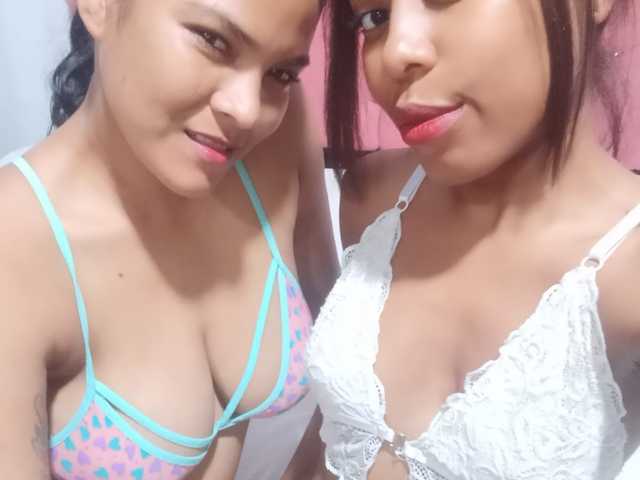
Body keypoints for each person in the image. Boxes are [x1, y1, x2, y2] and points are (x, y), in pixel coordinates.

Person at [302, 0, 640, 479]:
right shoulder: (374, 197)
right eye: (374, 17)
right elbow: (333, 432)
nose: (394, 53)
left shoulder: (628, 273)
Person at [0, 0, 338, 478]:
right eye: (213, 40)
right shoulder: (15, 251)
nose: (246, 110)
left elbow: (344, 343)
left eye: (280, 73)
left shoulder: (275, 137)